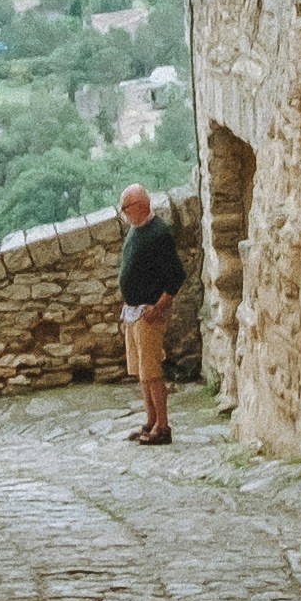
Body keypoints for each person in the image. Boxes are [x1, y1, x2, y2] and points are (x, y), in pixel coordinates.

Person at [117, 183, 185, 446]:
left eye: (126, 207)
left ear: (140, 205)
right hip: (133, 311)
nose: (123, 213)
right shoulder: (137, 230)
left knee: (152, 370)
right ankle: (151, 420)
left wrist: (158, 307)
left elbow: (176, 276)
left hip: (148, 313)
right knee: (141, 371)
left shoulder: (159, 235)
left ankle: (163, 426)